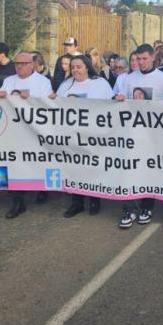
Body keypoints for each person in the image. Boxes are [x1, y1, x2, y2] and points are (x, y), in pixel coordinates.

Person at [114, 43, 163, 228]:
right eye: (138, 59)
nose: (141, 62)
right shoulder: (128, 79)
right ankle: (129, 209)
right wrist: (119, 99)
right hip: (132, 133)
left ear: (153, 58)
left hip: (153, 135)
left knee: (149, 171)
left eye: (144, 58)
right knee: (129, 170)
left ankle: (147, 207)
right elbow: (120, 100)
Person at [50, 55, 113, 217]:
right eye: (73, 67)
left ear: (87, 67)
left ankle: (94, 200)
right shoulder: (65, 86)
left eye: (79, 66)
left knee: (92, 168)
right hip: (71, 136)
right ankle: (76, 202)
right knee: (75, 169)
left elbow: (111, 107)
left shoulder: (100, 84)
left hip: (94, 136)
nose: (75, 70)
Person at [0, 52, 53, 218]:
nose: (19, 66)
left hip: (34, 130)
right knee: (14, 163)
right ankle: (17, 201)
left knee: (37, 161)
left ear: (32, 65)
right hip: (13, 130)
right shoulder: (9, 81)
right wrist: (0, 96)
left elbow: (47, 105)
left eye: (23, 63)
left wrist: (31, 99)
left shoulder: (43, 82)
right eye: (17, 63)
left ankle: (42, 188)